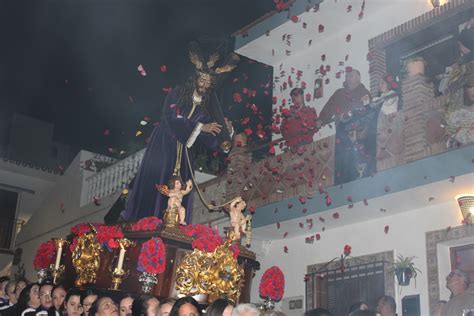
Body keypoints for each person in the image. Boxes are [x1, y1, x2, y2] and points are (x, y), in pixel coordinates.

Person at [120, 42, 239, 223]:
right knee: (157, 180)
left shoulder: (204, 110)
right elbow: (171, 117)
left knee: (181, 186)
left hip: (184, 153)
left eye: (208, 82)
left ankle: (175, 223)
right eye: (202, 80)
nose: (205, 84)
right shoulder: (177, 94)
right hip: (164, 145)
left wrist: (226, 134)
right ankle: (148, 220)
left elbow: (210, 136)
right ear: (195, 78)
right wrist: (199, 127)